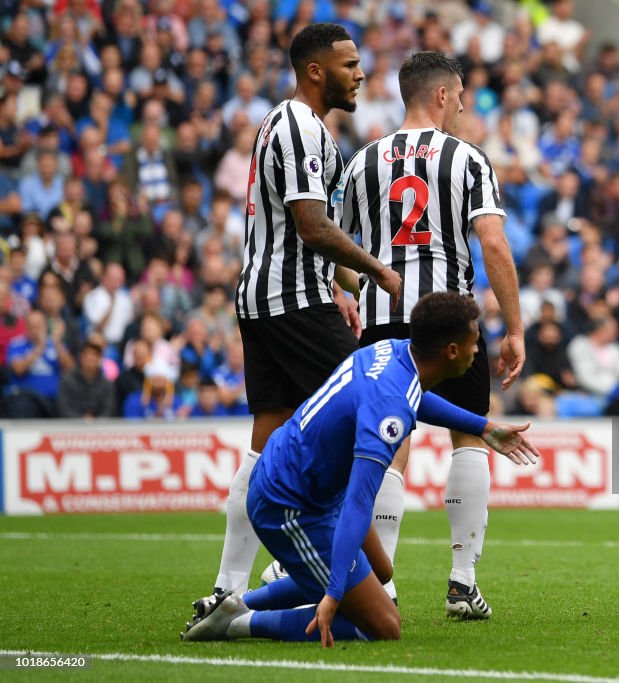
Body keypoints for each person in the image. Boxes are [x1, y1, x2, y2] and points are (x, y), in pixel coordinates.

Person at [182, 293, 538, 645]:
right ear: (452, 351)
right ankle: (240, 624)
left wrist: (485, 428)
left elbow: (417, 397)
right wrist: (335, 595)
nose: (479, 352)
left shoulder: (394, 351)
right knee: (383, 625)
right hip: (290, 506)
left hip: (298, 476)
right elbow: (358, 502)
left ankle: (230, 605)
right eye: (475, 344)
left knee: (382, 570)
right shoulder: (390, 412)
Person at [193, 23, 403, 616]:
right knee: (372, 412)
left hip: (266, 299)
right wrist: (377, 270)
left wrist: (345, 281)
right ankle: (344, 570)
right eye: (349, 64)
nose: (360, 74)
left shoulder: (284, 125)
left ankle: (227, 589)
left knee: (268, 438)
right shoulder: (302, 128)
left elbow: (295, 229)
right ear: (316, 71)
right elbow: (312, 225)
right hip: (292, 302)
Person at [340, 51, 525, 617]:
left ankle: (384, 585)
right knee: (468, 439)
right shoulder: (467, 158)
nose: (465, 103)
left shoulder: (362, 161)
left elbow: (334, 251)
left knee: (391, 444)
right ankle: (463, 583)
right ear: (442, 95)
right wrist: (514, 327)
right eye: (461, 93)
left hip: (382, 318)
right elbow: (492, 243)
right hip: (448, 317)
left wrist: (363, 289)